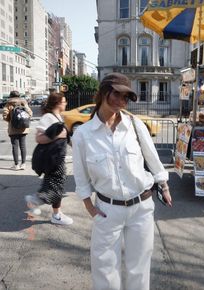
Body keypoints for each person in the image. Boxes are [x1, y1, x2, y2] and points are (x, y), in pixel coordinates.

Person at [72, 72, 172, 290]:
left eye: (126, 97)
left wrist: (163, 185)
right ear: (103, 93)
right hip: (108, 210)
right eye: (116, 94)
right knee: (104, 268)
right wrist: (90, 207)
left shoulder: (135, 126)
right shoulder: (83, 134)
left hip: (141, 207)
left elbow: (153, 160)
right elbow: (80, 177)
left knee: (139, 267)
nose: (121, 101)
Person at [25, 92, 73, 225]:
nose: (66, 103)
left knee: (56, 184)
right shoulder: (48, 117)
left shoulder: (58, 116)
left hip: (57, 157)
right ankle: (38, 200)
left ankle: (57, 213)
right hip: (52, 159)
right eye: (64, 101)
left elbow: (65, 136)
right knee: (56, 185)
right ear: (58, 103)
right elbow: (39, 138)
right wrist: (59, 135)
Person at [2, 90, 33, 170]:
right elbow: (30, 113)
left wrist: (11, 120)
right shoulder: (23, 102)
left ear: (10, 96)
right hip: (23, 127)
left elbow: (5, 116)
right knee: (23, 146)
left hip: (13, 128)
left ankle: (16, 165)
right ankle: (23, 164)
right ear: (19, 96)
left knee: (14, 146)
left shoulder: (8, 104)